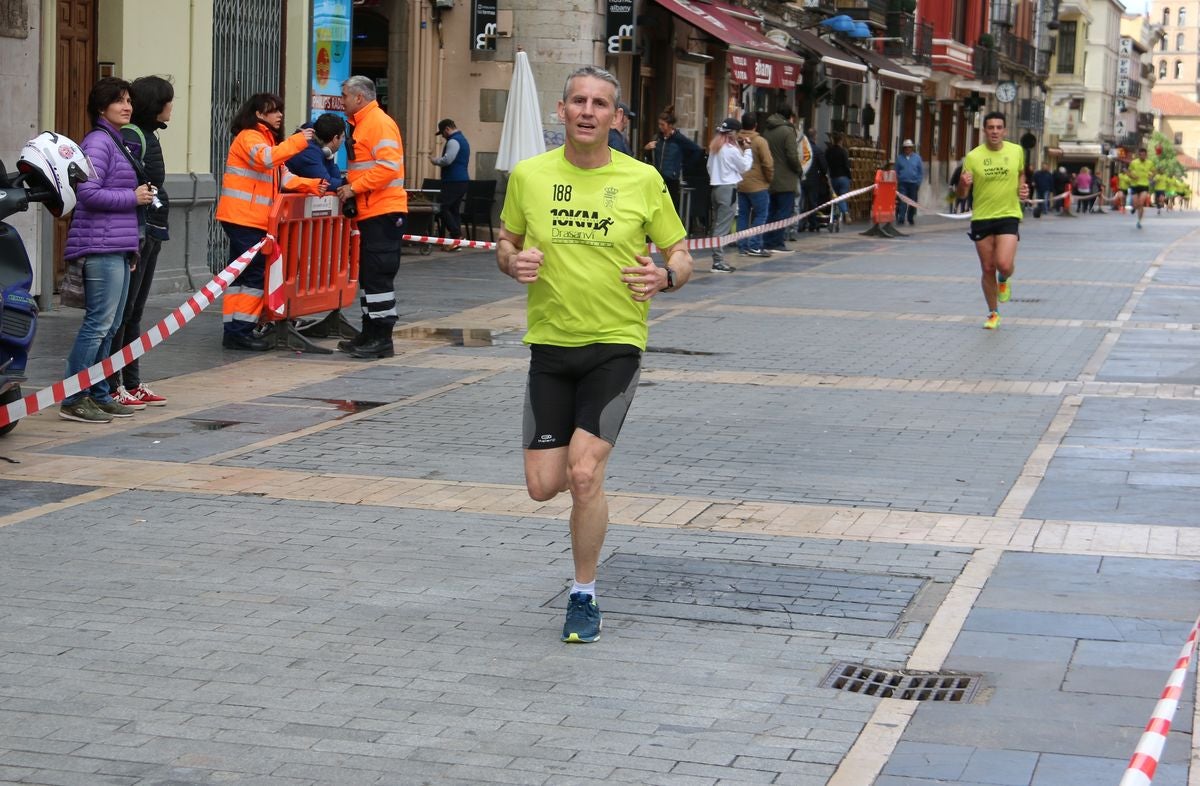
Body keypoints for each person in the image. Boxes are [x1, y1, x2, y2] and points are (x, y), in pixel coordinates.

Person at [495, 65, 693, 643]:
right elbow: (505, 242)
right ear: (560, 112)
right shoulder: (528, 177)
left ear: (616, 117)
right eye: (577, 101)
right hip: (550, 347)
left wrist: (665, 276)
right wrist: (512, 262)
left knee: (584, 474)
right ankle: (585, 502)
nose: (587, 111)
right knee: (542, 485)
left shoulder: (642, 179)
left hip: (615, 345)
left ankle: (584, 595)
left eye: (599, 103)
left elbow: (682, 253)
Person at [59, 77, 156, 423]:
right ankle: (73, 397)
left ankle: (99, 392)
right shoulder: (99, 142)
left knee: (112, 325)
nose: (127, 106)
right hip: (99, 246)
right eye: (119, 101)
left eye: (129, 100)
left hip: (117, 244)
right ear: (102, 108)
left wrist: (130, 248)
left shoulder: (117, 141)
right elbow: (88, 193)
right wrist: (133, 197)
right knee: (98, 324)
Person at [215, 93, 325, 352]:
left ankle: (235, 329)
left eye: (280, 111)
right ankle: (240, 331)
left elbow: (284, 177)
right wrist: (299, 141)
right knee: (253, 274)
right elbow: (267, 159)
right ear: (259, 114)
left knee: (241, 276)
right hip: (244, 218)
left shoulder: (266, 140)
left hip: (247, 217)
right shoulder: (250, 137)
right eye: (274, 111)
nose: (279, 115)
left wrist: (313, 185)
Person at [106, 75, 173, 411]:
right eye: (168, 100)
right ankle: (113, 384)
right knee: (124, 313)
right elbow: (129, 183)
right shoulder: (132, 137)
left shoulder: (144, 135)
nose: (171, 107)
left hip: (152, 232)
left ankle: (131, 382)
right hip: (139, 233)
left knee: (134, 314)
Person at [335, 75, 409, 358]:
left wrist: (353, 188)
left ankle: (381, 339)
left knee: (378, 277)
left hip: (382, 211)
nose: (341, 101)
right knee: (370, 276)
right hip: (373, 211)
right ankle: (369, 334)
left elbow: (388, 167)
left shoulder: (378, 123)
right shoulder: (364, 124)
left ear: (359, 98)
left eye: (344, 96)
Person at [956, 111, 1029, 330]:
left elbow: (1021, 173)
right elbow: (961, 195)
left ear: (1004, 130)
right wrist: (962, 183)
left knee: (1003, 265)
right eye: (991, 127)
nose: (995, 131)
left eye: (999, 127)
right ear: (984, 131)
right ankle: (993, 313)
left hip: (1009, 214)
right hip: (982, 217)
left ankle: (1004, 278)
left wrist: (1022, 189)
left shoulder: (1016, 151)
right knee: (987, 268)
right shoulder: (973, 157)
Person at [706, 116, 752, 273]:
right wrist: (748, 150)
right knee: (722, 227)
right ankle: (718, 262)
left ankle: (717, 259)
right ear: (733, 134)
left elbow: (709, 167)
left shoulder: (715, 148)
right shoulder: (731, 151)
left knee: (717, 224)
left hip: (716, 188)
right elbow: (744, 166)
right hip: (728, 189)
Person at [643, 105, 702, 219]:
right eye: (659, 124)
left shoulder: (679, 139)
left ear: (670, 125)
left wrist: (685, 165)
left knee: (671, 208)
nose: (660, 127)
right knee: (656, 207)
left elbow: (696, 150)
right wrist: (647, 149)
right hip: (657, 178)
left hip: (672, 179)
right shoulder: (658, 138)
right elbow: (650, 157)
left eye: (663, 125)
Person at [762, 105, 802, 251]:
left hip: (770, 176)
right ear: (790, 117)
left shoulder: (767, 129)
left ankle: (767, 240)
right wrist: (798, 169)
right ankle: (777, 242)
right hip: (785, 178)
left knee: (771, 211)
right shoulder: (788, 131)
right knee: (784, 212)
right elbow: (792, 155)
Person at [735, 111, 773, 257]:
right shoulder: (759, 141)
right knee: (760, 215)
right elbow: (768, 163)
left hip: (740, 183)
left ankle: (742, 245)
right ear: (755, 125)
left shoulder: (736, 140)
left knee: (743, 215)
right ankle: (755, 245)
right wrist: (769, 179)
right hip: (758, 185)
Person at [429, 118, 469, 251]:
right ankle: (456, 241)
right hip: (462, 180)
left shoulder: (453, 141)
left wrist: (435, 161)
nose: (443, 136)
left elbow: (448, 160)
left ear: (447, 129)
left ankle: (457, 236)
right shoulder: (463, 139)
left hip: (453, 180)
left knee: (442, 206)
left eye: (442, 133)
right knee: (454, 210)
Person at [285, 112, 345, 190]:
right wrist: (348, 183)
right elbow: (326, 184)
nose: (342, 141)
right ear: (335, 138)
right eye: (342, 137)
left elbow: (334, 179)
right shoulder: (308, 150)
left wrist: (330, 157)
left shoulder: (319, 148)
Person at [801, 126, 828, 231]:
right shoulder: (818, 150)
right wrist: (823, 175)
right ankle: (813, 223)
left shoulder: (803, 150)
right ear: (815, 137)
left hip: (803, 178)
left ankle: (800, 224)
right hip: (813, 181)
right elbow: (824, 167)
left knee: (801, 203)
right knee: (813, 203)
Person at [826, 132, 853, 224]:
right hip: (843, 178)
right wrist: (850, 178)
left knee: (834, 199)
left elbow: (826, 165)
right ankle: (845, 213)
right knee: (842, 198)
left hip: (833, 178)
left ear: (833, 140)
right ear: (841, 141)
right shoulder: (843, 151)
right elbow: (846, 166)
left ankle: (834, 218)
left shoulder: (828, 151)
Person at [895, 138, 923, 225]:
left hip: (913, 183)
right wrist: (897, 180)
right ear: (903, 149)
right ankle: (901, 218)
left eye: (909, 147)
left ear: (912, 148)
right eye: (906, 148)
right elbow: (896, 170)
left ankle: (911, 217)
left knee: (912, 201)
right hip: (903, 183)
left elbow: (920, 172)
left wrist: (918, 182)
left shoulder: (917, 158)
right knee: (902, 201)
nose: (907, 149)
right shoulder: (899, 158)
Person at [1127, 147, 1155, 229]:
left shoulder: (1150, 163)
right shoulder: (1133, 162)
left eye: (1144, 155)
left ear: (1146, 155)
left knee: (1141, 203)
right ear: (1138, 155)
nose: (1142, 156)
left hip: (1144, 185)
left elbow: (1154, 171)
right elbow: (1128, 172)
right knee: (1136, 204)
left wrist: (1151, 176)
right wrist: (1132, 176)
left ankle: (1139, 221)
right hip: (1134, 185)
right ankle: (1134, 208)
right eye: (1141, 155)